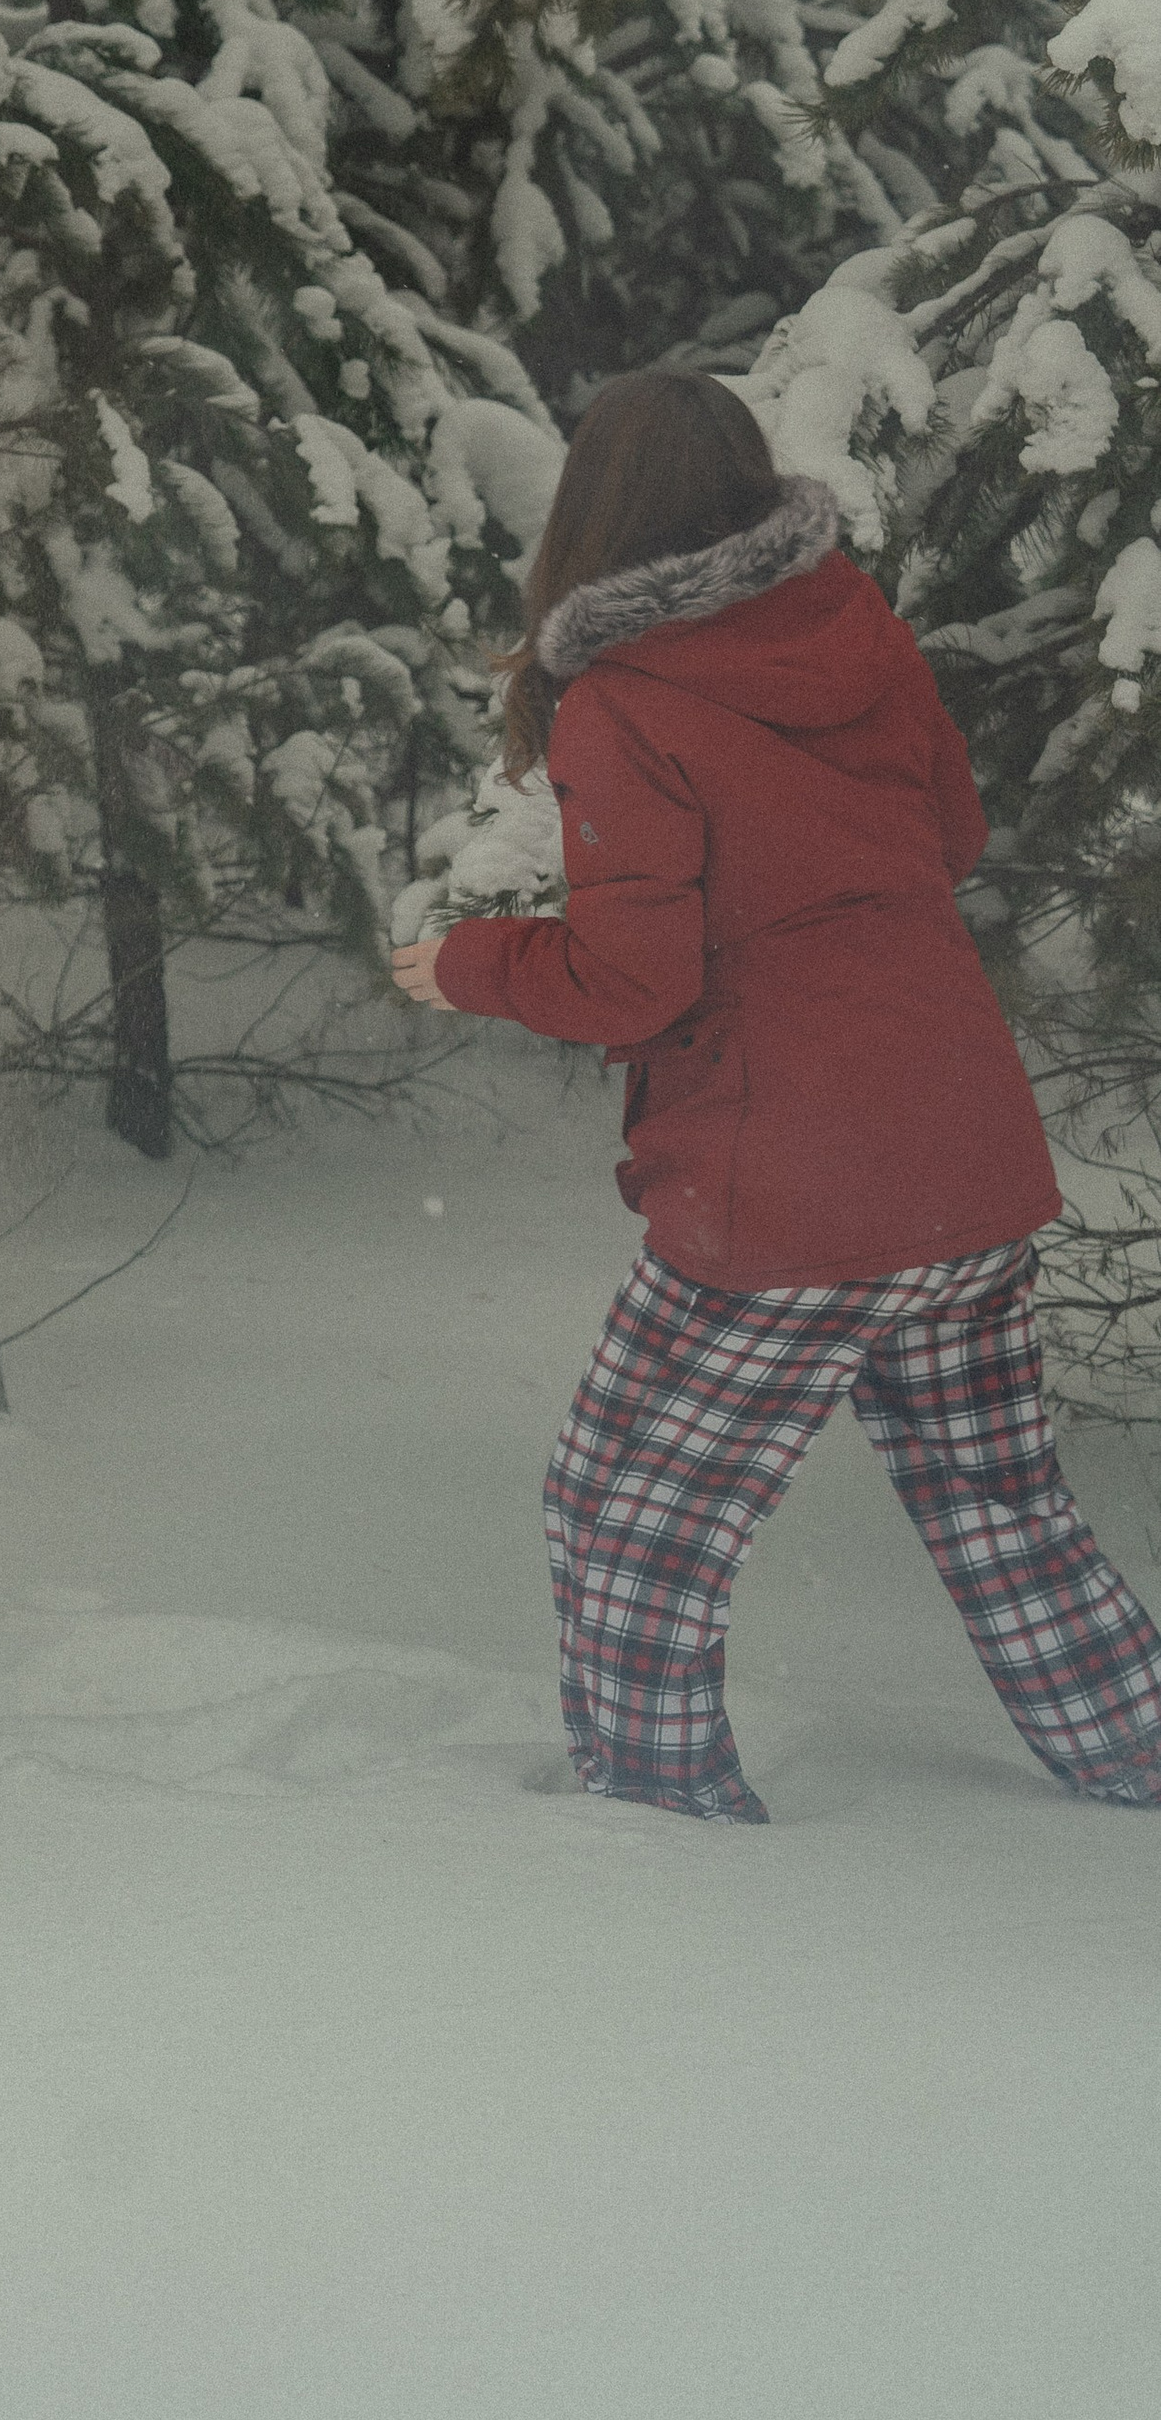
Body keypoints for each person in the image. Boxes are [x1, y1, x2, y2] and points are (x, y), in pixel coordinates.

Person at [391, 366, 1161, 1823]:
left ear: (590, 516)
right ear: (747, 484)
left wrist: (470, 963)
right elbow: (952, 832)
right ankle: (1138, 1752)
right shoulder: (851, 622)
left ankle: (652, 1832)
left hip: (792, 1196)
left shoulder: (620, 705)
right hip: (962, 1156)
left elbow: (635, 984)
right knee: (1001, 1511)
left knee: (632, 1522)